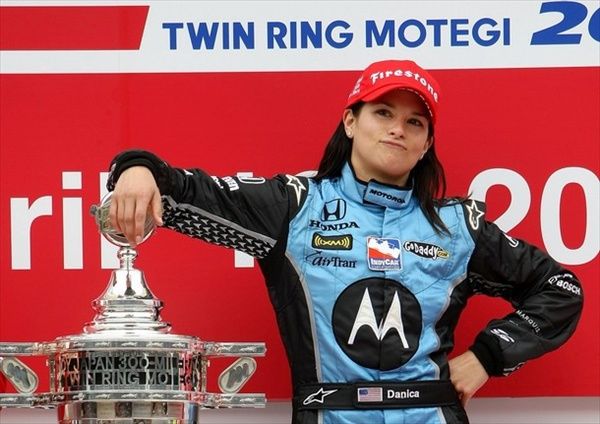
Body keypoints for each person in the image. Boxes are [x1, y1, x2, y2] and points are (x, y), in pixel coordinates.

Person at [106, 59, 583, 424]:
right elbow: (193, 193)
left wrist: (486, 357)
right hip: (330, 412)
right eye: (383, 112)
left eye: (415, 122)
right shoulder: (295, 206)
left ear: (426, 145)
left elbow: (560, 290)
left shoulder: (457, 226)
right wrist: (138, 168)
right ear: (351, 122)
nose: (397, 129)